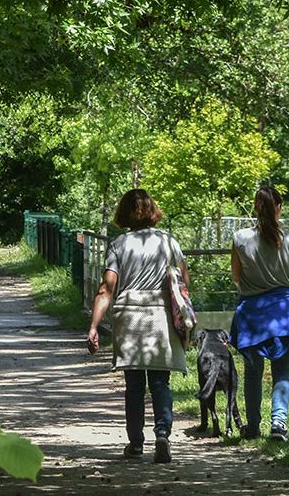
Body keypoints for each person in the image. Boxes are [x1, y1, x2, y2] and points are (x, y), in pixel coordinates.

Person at [86, 189, 189, 463]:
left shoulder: (119, 245)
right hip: (160, 315)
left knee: (133, 385)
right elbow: (183, 284)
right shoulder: (169, 242)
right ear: (153, 210)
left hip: (129, 315)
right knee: (160, 381)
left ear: (124, 213)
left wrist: (94, 326)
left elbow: (107, 289)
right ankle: (163, 434)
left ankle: (136, 443)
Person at [230, 187, 289, 442]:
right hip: (283, 310)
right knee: (282, 369)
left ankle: (253, 425)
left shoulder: (240, 238)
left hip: (252, 312)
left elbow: (236, 278)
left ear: (256, 207)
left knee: (253, 371)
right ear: (278, 208)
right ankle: (279, 423)